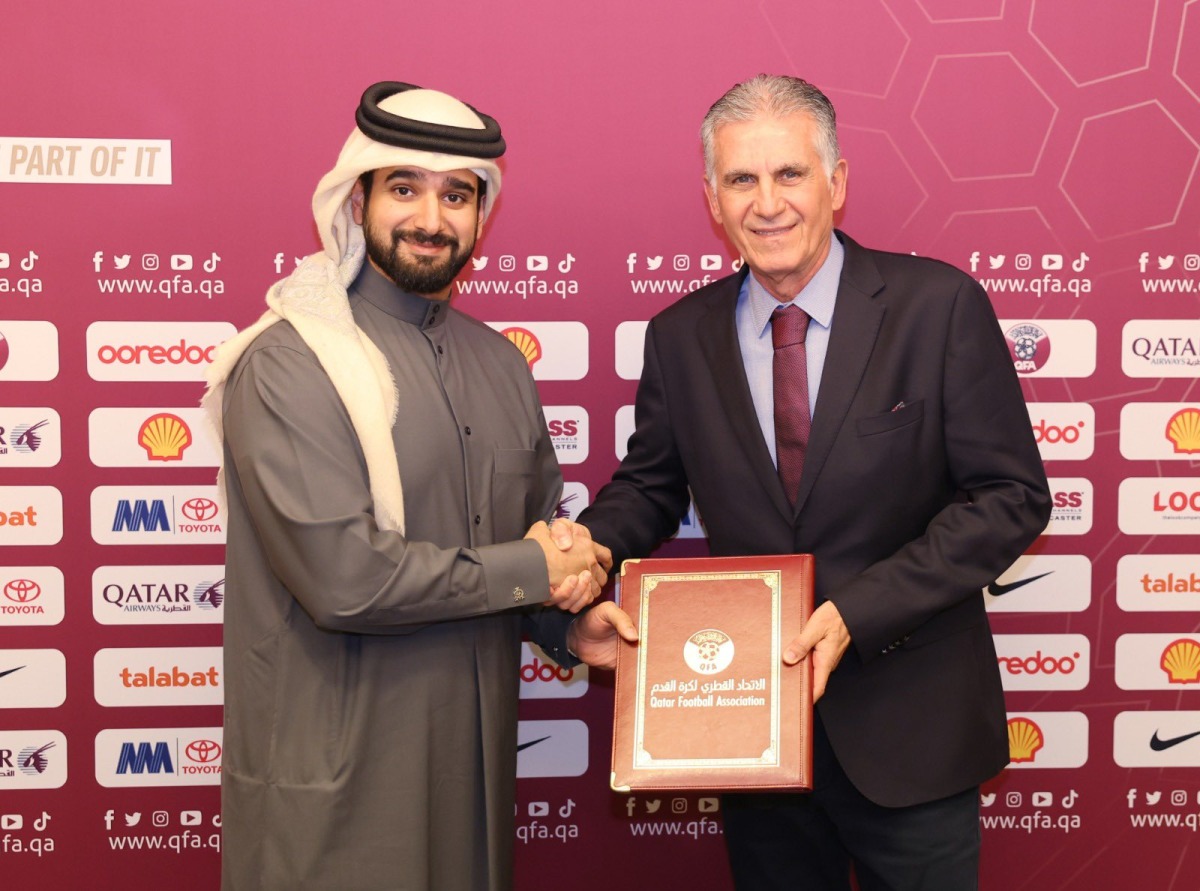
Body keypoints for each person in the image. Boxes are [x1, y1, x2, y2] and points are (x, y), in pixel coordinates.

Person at [576, 74, 1051, 890]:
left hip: (913, 731)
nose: (768, 203)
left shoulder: (937, 306)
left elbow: (1011, 497)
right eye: (742, 179)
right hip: (753, 735)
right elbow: (651, 486)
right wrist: (585, 547)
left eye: (790, 174)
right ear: (712, 198)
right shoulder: (679, 337)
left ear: (836, 182)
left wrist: (854, 614)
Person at [203, 81, 633, 891]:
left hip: (470, 791)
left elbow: (529, 539)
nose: (431, 219)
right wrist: (537, 568)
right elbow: (347, 580)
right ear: (358, 196)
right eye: (404, 188)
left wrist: (567, 627)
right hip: (336, 797)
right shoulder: (292, 362)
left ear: (481, 214)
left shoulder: (502, 366)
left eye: (457, 195)